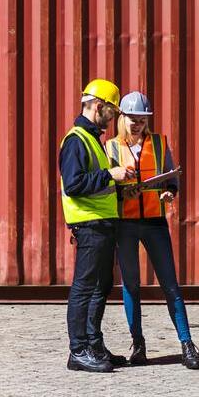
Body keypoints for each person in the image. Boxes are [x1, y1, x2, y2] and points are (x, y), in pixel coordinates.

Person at [105, 91, 199, 370]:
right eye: (133, 119)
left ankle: (187, 344)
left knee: (170, 284)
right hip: (125, 223)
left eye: (142, 120)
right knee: (131, 285)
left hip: (154, 222)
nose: (138, 124)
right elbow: (106, 186)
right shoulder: (110, 147)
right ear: (122, 118)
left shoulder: (159, 143)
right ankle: (138, 344)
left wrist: (170, 192)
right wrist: (122, 191)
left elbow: (171, 176)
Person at [59, 78, 134, 373]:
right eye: (112, 112)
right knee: (84, 287)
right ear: (99, 106)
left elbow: (97, 184)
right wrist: (110, 175)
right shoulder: (76, 140)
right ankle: (78, 351)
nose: (113, 118)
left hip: (102, 224)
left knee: (101, 287)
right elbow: (74, 184)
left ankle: (93, 345)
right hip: (89, 224)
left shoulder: (93, 139)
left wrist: (120, 187)